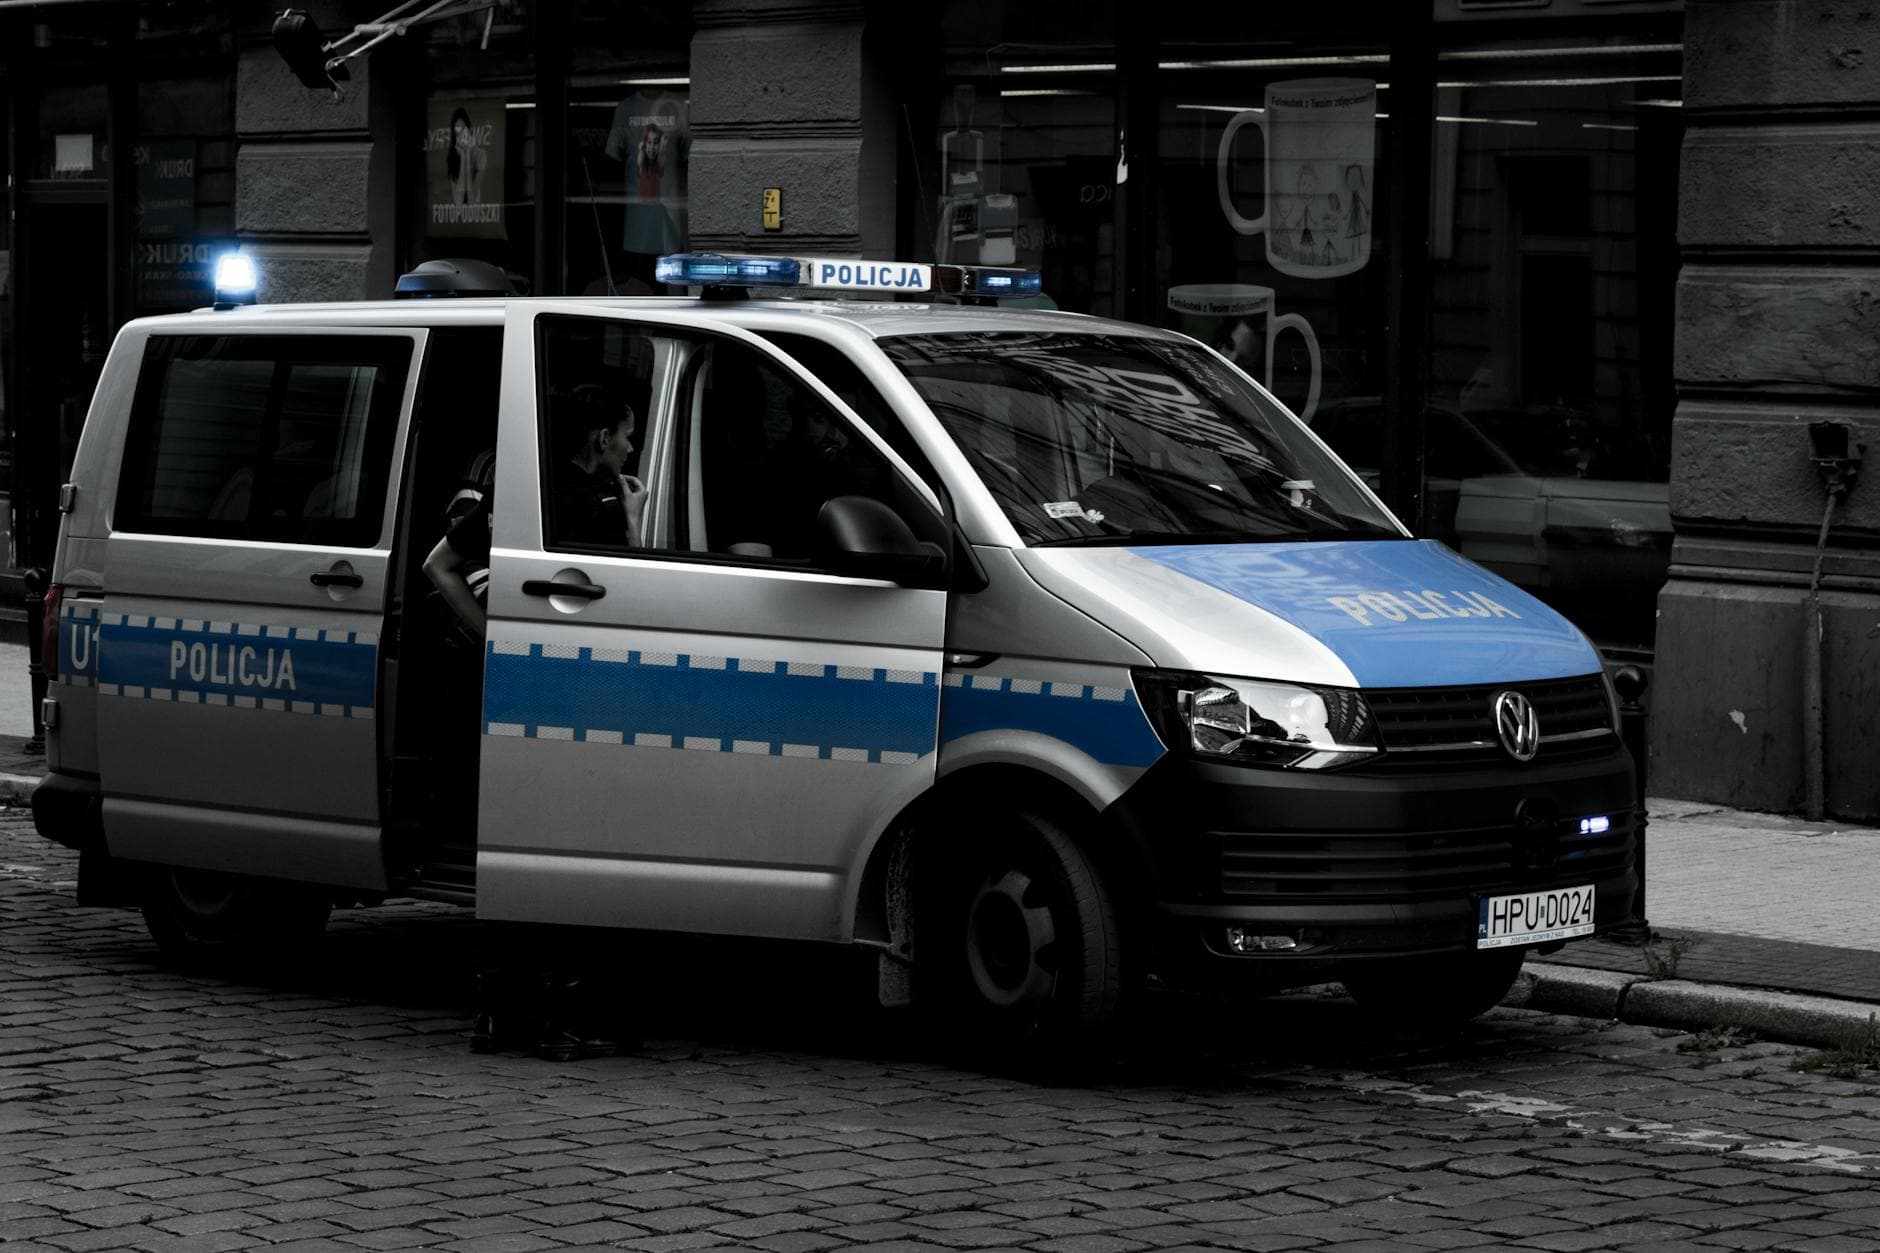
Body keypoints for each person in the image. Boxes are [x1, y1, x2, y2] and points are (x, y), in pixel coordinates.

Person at [420, 476, 637, 1062]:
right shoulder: (593, 503)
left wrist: (491, 635)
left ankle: (498, 1015)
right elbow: (633, 584)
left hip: (500, 692)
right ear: (600, 438)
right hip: (567, 688)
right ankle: (568, 1020)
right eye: (624, 435)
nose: (629, 448)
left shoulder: (509, 499)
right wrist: (635, 516)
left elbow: (437, 566)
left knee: (507, 855)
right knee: (569, 852)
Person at [552, 389, 648, 548]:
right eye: (628, 437)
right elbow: (630, 571)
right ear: (604, 439)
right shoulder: (597, 509)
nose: (630, 449)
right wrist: (633, 521)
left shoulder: (551, 482)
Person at [447, 107, 488, 206]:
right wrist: (463, 157)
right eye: (457, 127)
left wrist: (467, 156)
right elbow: (458, 201)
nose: (461, 132)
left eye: (463, 127)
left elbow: (471, 201)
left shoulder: (480, 155)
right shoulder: (452, 156)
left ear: (469, 130)